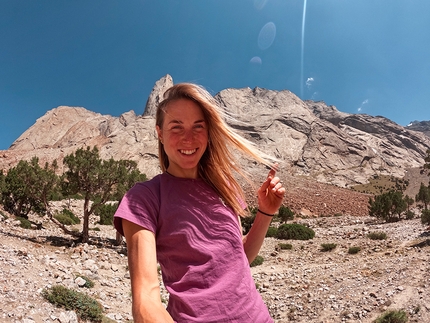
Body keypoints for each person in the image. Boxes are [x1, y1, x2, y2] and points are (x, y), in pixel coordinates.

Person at [114, 83, 285, 323]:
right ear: (160, 133)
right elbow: (146, 299)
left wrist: (265, 213)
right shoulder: (145, 197)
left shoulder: (224, 187)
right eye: (176, 127)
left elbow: (239, 258)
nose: (188, 138)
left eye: (198, 127)